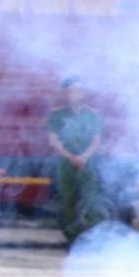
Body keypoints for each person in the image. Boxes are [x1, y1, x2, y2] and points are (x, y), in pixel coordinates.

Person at [46, 76, 103, 246]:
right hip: (66, 162)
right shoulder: (57, 114)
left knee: (92, 199)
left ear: (83, 93)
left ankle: (96, 238)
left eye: (79, 90)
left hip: (88, 162)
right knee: (68, 200)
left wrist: (83, 157)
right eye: (72, 90)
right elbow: (54, 140)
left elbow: (97, 139)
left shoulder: (93, 114)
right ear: (67, 93)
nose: (75, 94)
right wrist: (72, 157)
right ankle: (73, 239)